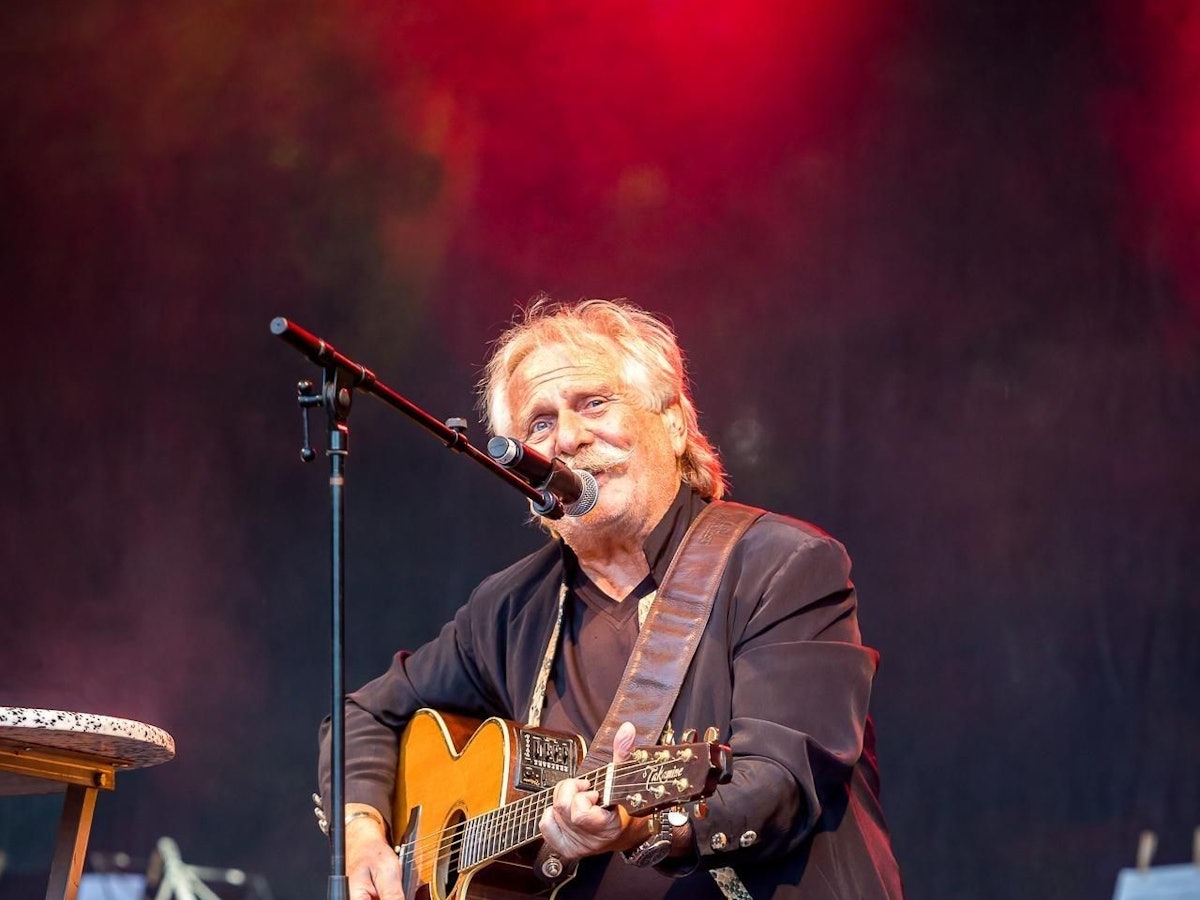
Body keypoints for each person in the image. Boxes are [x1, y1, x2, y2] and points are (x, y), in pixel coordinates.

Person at [318, 298, 903, 899]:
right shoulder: (512, 606)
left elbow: (782, 778)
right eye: (539, 425)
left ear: (674, 422)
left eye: (594, 403)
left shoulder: (781, 564)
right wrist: (362, 833)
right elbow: (363, 716)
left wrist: (644, 825)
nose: (567, 438)